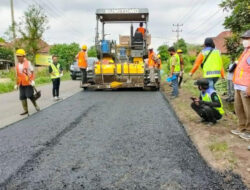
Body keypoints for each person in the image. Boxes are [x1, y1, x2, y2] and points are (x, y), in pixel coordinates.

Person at [231, 30, 250, 140]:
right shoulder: (245, 52)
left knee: (248, 109)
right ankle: (241, 127)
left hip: (246, 86)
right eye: (244, 38)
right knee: (238, 108)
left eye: (247, 39)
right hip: (238, 85)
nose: (244, 41)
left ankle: (248, 131)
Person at [15, 49, 40, 115]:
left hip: (28, 82)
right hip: (21, 83)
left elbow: (32, 72)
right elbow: (17, 75)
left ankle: (36, 105)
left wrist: (32, 80)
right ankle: (26, 110)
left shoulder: (28, 63)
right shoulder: (17, 65)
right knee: (22, 96)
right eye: (17, 56)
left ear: (23, 56)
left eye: (20, 56)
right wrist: (16, 84)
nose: (18, 57)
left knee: (29, 95)